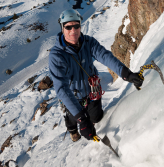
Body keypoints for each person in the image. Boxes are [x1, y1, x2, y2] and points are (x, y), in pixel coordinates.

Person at [49, 9, 144, 142]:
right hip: (72, 96)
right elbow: (62, 89)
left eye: (76, 26)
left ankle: (88, 123)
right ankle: (72, 129)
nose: (73, 30)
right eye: (68, 27)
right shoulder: (57, 56)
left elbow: (105, 57)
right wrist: (82, 120)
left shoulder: (88, 43)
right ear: (62, 28)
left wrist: (126, 73)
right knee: (73, 116)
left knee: (96, 118)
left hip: (92, 91)